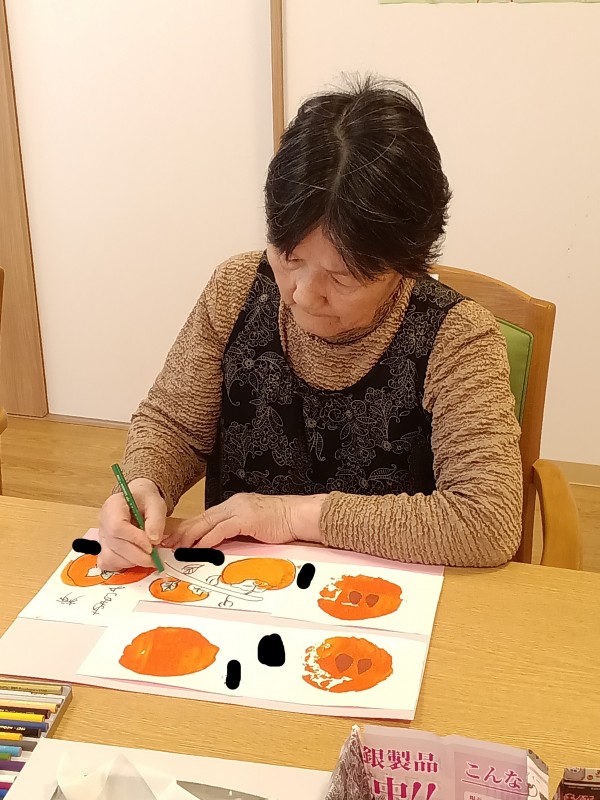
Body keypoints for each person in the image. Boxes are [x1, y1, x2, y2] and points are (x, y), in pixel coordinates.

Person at [98, 75, 522, 572]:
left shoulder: (457, 336)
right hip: (241, 587)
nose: (301, 294)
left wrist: (291, 515)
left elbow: (486, 521)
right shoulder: (237, 289)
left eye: (341, 278)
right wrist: (144, 482)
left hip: (381, 595)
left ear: (405, 264)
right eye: (289, 256)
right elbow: (174, 425)